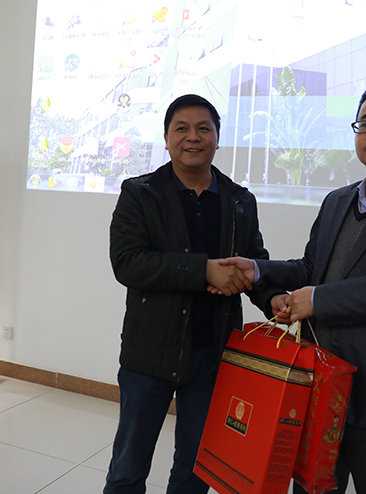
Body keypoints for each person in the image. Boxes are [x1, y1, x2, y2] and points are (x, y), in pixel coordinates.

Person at [216, 83, 366, 493]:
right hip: (317, 386)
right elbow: (311, 268)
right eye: (364, 124)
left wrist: (316, 300)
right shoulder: (335, 201)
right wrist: (257, 270)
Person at [104, 94, 281, 494]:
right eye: (181, 128)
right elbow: (128, 263)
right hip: (150, 350)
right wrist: (203, 270)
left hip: (213, 354)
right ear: (167, 139)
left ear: (217, 137)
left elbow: (253, 262)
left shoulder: (239, 200)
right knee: (129, 465)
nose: (193, 137)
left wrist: (273, 298)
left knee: (197, 466)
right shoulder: (141, 193)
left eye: (204, 128)